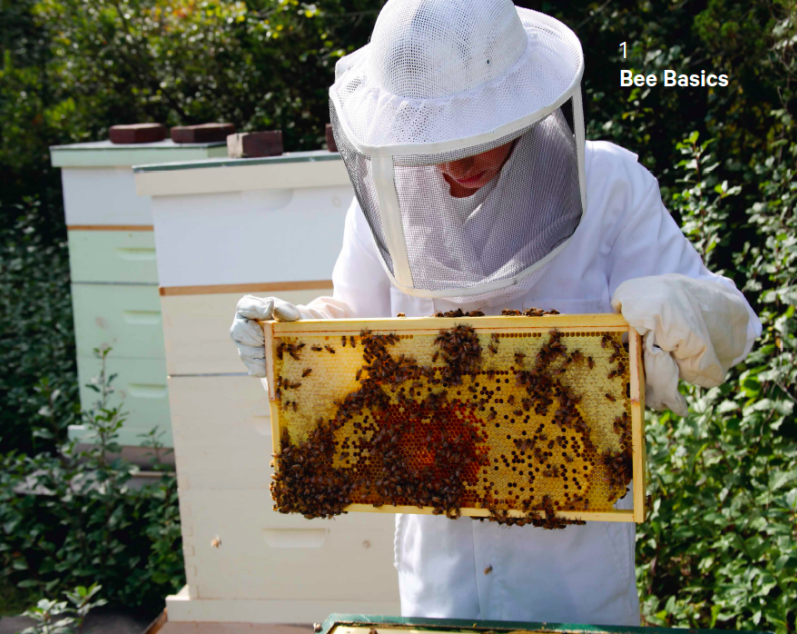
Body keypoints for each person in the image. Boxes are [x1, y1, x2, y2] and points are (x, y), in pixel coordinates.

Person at [230, 0, 761, 626]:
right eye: (432, 139)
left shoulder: (610, 183)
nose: (456, 163)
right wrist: (299, 345)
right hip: (440, 567)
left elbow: (736, 326)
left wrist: (683, 305)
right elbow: (354, 326)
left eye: (478, 133)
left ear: (523, 98)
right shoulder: (385, 206)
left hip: (572, 570)